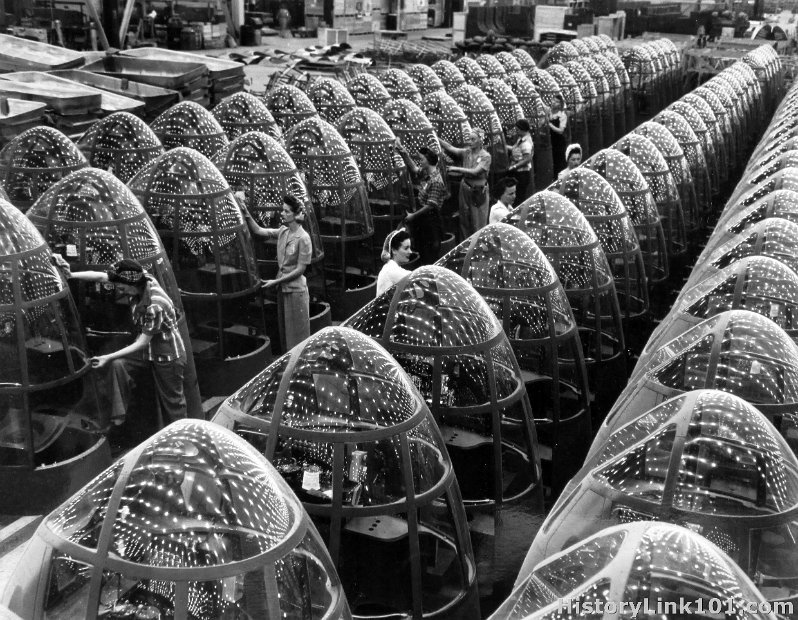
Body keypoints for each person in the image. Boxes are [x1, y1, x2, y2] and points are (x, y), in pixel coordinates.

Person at [55, 256, 187, 429]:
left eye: (121, 287)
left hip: (167, 355)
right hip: (148, 350)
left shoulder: (155, 305)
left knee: (173, 402)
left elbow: (141, 343)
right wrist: (71, 275)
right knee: (119, 366)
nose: (119, 290)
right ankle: (118, 419)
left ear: (132, 286)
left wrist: (106, 357)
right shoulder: (141, 277)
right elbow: (100, 276)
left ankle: (182, 435)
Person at [242, 194, 312, 352]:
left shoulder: (304, 238)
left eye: (286, 211)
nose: (282, 213)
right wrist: (246, 212)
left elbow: (300, 270)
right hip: (283, 290)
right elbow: (259, 230)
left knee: (298, 338)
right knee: (286, 336)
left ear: (295, 215)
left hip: (296, 292)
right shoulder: (283, 232)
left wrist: (276, 282)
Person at [396, 142, 446, 264]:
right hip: (423, 219)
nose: (420, 162)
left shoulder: (436, 181)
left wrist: (413, 216)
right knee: (421, 248)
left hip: (431, 222)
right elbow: (414, 168)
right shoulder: (426, 173)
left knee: (429, 253)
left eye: (422, 159)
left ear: (428, 161)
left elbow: (431, 205)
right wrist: (404, 153)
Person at [440, 128, 492, 240]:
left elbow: (475, 171)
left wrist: (456, 169)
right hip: (465, 188)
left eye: (473, 139)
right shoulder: (467, 152)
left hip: (478, 191)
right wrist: (436, 137)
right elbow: (450, 148)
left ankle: (478, 245)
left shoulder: (486, 156)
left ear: (480, 141)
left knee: (478, 221)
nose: (470, 142)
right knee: (464, 219)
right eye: (469, 139)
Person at [377, 229, 413, 296]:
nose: (410, 251)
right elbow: (416, 277)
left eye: (410, 248)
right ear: (394, 250)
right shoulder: (391, 269)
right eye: (406, 248)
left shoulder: (390, 266)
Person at [508, 119, 534, 204]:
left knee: (519, 197)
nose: (516, 131)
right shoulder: (521, 139)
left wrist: (514, 166)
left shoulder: (526, 142)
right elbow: (516, 149)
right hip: (519, 173)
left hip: (522, 174)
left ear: (522, 129)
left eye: (518, 130)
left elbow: (527, 159)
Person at [549, 95, 569, 177]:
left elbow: (561, 131)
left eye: (557, 102)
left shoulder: (562, 115)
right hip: (550, 141)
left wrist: (550, 125)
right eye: (553, 100)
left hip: (559, 142)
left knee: (559, 161)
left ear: (560, 104)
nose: (554, 103)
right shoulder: (548, 112)